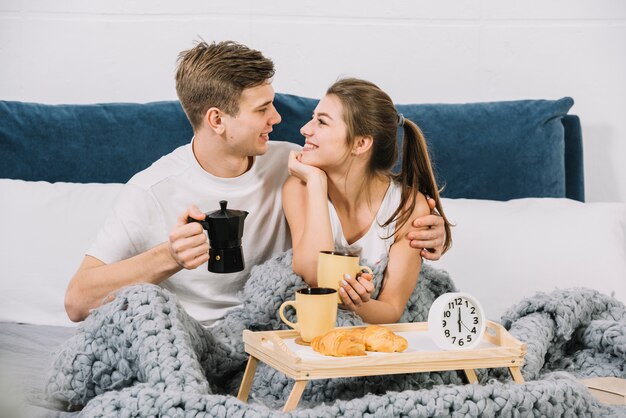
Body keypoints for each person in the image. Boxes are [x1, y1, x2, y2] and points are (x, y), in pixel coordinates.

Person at [64, 41, 447, 326]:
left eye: (273, 103)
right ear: (217, 120)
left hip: (272, 326)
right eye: (262, 109)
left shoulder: (293, 162)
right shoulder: (151, 190)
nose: (279, 118)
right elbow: (77, 301)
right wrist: (170, 256)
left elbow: (366, 182)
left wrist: (438, 232)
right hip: (191, 332)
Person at [283, 78, 452, 324]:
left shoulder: (408, 207)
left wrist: (356, 305)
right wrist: (316, 184)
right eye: (313, 117)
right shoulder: (299, 188)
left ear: (360, 143)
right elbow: (311, 272)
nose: (305, 129)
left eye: (321, 122)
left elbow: (391, 309)